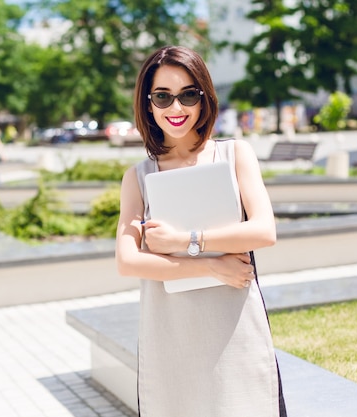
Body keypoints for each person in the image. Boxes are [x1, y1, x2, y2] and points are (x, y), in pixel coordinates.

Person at [115, 46, 287, 417]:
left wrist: (184, 241)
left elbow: (263, 230)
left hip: (235, 326)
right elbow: (128, 261)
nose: (176, 109)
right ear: (148, 104)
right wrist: (210, 266)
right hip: (170, 334)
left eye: (188, 95)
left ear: (204, 97)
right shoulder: (138, 177)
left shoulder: (235, 155)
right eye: (163, 97)